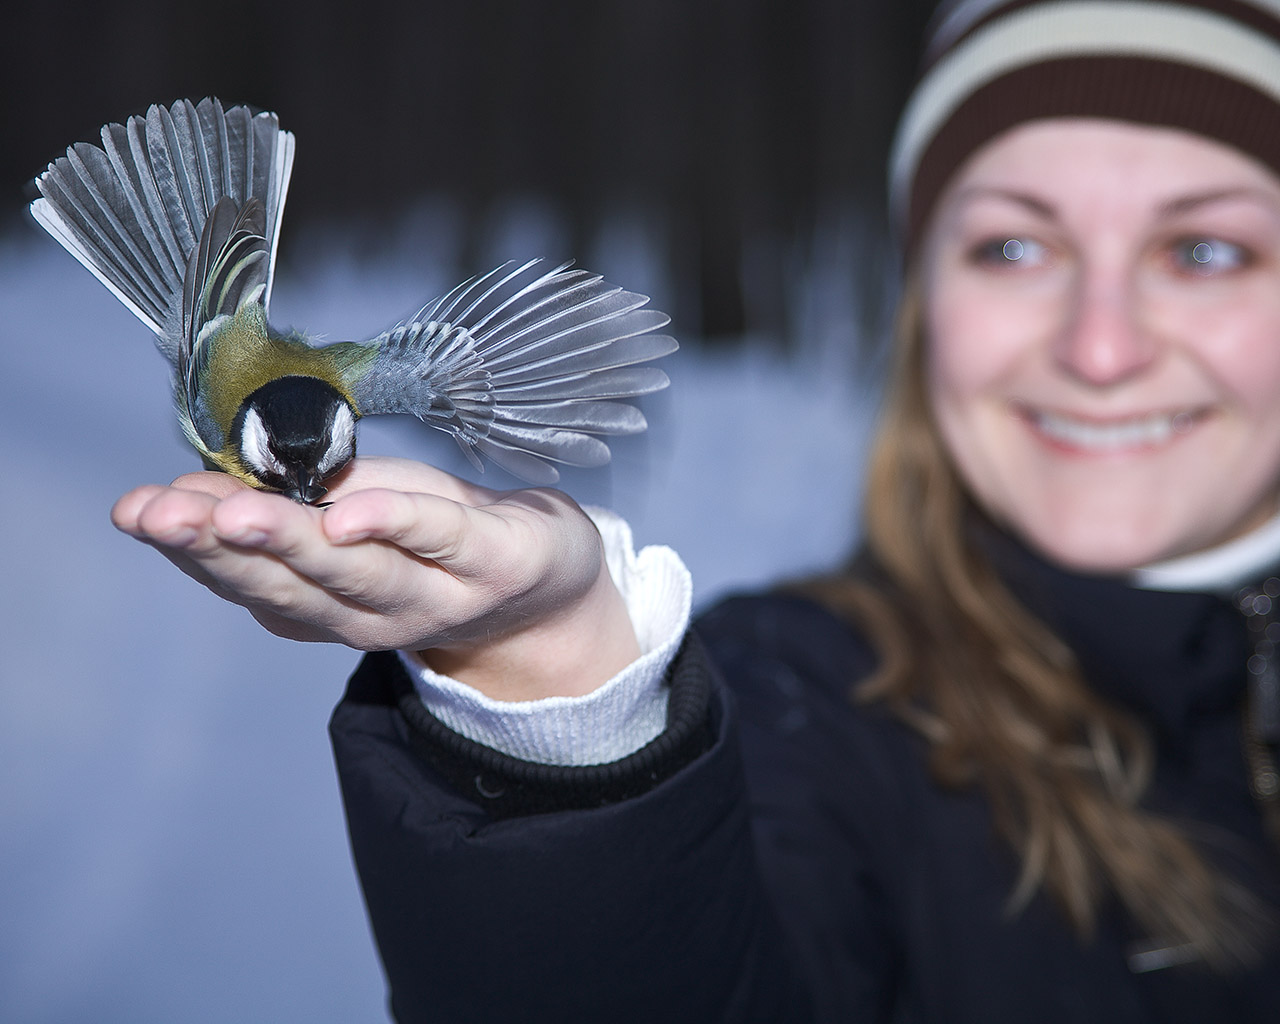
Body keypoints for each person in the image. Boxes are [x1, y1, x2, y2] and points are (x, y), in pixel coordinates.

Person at [108, 0, 1280, 1019]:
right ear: (923, 303)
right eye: (1014, 243)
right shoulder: (817, 696)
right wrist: (554, 698)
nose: (1099, 345)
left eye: (1206, 249)